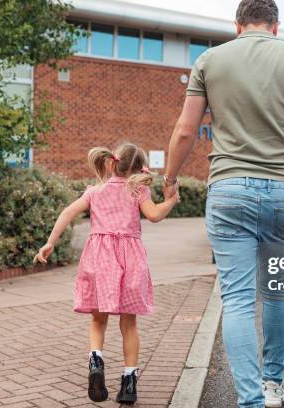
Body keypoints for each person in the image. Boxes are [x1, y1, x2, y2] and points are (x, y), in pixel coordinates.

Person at [162, 0, 284, 406]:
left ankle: (249, 400)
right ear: (276, 26)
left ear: (237, 25)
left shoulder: (209, 61)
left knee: (238, 299)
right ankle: (272, 387)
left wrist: (171, 178)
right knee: (278, 293)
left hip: (229, 190)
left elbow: (185, 130)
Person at [34, 143, 179, 404]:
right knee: (129, 323)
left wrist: (50, 242)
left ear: (112, 163)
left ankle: (96, 360)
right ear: (138, 169)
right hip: (130, 260)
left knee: (98, 320)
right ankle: (129, 383)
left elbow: (68, 212)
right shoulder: (138, 190)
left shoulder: (95, 191)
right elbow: (155, 215)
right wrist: (171, 200)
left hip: (99, 259)